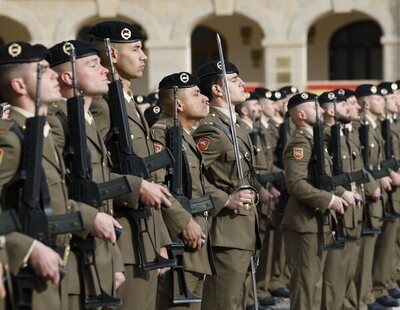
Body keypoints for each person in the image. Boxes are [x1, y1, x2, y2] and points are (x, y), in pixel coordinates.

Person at [88, 21, 173, 309]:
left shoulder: (126, 100)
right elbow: (95, 170)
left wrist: (160, 239)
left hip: (145, 236)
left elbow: (150, 177)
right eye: (135, 49)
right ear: (112, 55)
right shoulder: (103, 105)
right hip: (124, 237)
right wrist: (136, 188)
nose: (144, 56)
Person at [192, 60, 267, 310]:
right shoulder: (210, 130)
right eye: (235, 80)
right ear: (217, 89)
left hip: (244, 229)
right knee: (222, 303)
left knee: (237, 302)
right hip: (226, 231)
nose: (243, 84)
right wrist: (225, 199)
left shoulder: (236, 128)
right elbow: (191, 176)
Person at [281, 92, 357, 309]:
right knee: (306, 288)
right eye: (316, 108)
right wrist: (329, 199)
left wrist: (341, 192)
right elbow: (295, 184)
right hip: (304, 224)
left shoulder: (315, 141)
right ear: (301, 115)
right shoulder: (300, 144)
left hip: (317, 222)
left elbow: (323, 179)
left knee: (316, 286)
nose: (322, 111)